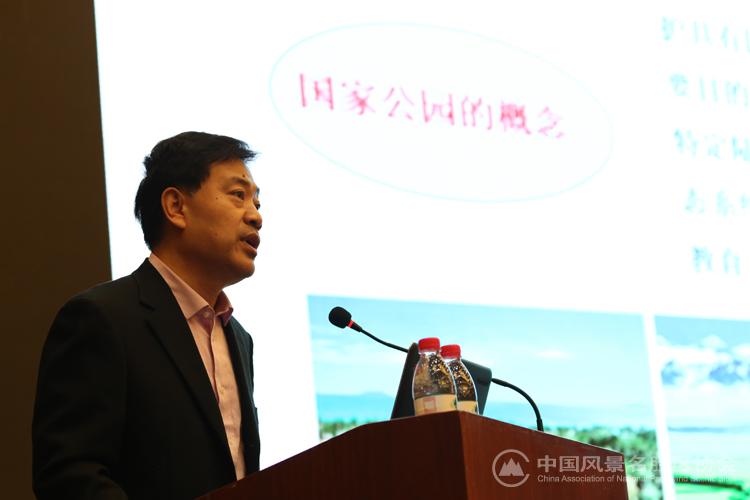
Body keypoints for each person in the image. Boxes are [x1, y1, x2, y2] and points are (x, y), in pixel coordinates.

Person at [32, 131, 263, 499]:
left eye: (257, 202)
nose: (255, 216)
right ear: (176, 207)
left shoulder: (238, 337)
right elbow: (69, 474)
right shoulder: (102, 318)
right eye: (239, 195)